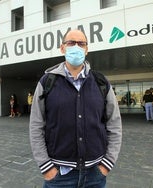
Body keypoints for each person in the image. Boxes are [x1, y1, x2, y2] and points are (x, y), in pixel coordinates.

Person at [29, 29, 122, 188]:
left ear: (86, 49)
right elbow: (36, 126)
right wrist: (46, 167)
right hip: (58, 176)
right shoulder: (47, 82)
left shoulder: (101, 82)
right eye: (71, 43)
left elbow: (114, 124)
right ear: (62, 48)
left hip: (95, 175)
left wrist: (107, 164)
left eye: (81, 43)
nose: (76, 47)